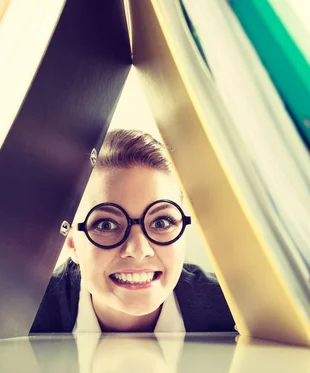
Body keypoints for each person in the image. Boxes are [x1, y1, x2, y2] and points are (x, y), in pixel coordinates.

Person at [31, 129, 234, 333]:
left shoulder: (235, 314)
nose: (138, 250)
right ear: (72, 242)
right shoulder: (24, 318)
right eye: (106, 225)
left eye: (161, 222)